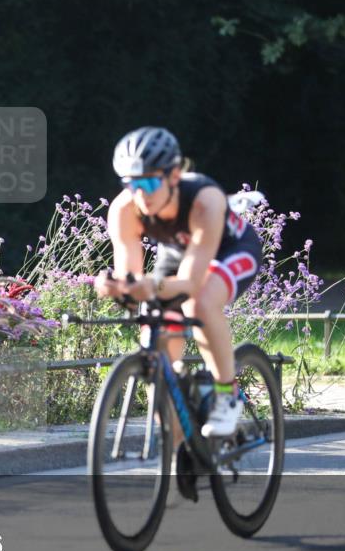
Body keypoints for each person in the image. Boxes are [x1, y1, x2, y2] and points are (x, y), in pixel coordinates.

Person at [94, 127, 263, 438]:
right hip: (176, 253)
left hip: (230, 250)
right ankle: (179, 444)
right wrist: (119, 287)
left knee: (199, 302)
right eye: (131, 184)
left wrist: (151, 286)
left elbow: (189, 282)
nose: (140, 193)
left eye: (149, 181)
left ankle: (227, 393)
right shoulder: (124, 209)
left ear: (173, 176)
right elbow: (132, 278)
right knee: (154, 344)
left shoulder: (204, 199)